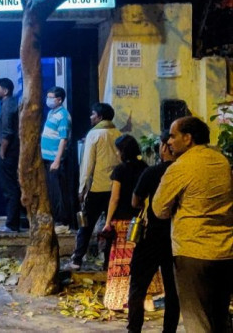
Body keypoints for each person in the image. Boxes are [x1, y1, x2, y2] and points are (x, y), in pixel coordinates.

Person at [152, 116, 233, 333]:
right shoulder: (222, 161)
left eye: (172, 136)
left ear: (187, 138)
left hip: (192, 252)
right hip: (225, 251)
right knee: (220, 319)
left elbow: (159, 209)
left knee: (198, 320)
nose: (168, 141)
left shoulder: (181, 166)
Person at [127, 130, 180, 333]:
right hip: (175, 238)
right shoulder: (183, 171)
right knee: (172, 290)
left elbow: (135, 201)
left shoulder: (152, 172)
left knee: (138, 286)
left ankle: (134, 328)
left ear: (166, 146)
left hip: (151, 236)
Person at [66, 102, 121, 270]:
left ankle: (76, 260)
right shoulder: (118, 133)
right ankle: (107, 262)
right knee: (110, 226)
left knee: (85, 226)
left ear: (100, 117)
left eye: (93, 114)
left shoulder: (94, 134)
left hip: (96, 187)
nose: (91, 117)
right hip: (115, 189)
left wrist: (82, 188)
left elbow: (87, 164)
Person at [100, 135, 148, 310]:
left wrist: (107, 221)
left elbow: (114, 198)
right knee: (139, 260)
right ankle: (145, 299)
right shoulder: (145, 167)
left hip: (121, 221)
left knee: (120, 260)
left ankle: (118, 298)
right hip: (139, 220)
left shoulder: (120, 170)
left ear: (122, 151)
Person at [40, 86, 73, 233]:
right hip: (47, 158)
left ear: (59, 99)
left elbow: (63, 139)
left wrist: (57, 160)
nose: (48, 99)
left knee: (59, 191)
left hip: (55, 159)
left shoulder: (63, 116)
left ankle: (62, 222)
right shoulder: (52, 113)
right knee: (52, 192)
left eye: (51, 97)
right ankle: (55, 220)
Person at [0, 78, 20, 233]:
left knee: (10, 188)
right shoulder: (6, 104)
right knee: (9, 188)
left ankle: (12, 224)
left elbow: (8, 131)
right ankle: (12, 222)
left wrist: (3, 151)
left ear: (5, 91)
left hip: (8, 152)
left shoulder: (8, 105)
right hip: (9, 151)